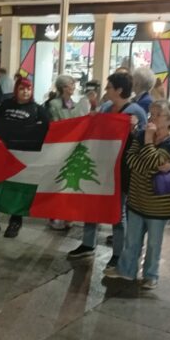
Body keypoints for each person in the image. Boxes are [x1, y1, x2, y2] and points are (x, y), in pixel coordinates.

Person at [68, 71, 147, 265]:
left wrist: (134, 129)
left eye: (109, 87)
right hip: (101, 164)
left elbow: (144, 141)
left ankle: (119, 253)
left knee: (117, 211)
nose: (106, 90)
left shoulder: (135, 111)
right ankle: (88, 244)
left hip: (121, 168)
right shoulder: (106, 108)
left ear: (119, 90)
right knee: (92, 204)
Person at [110, 100, 170, 288]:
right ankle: (127, 270)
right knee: (132, 240)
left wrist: (149, 141)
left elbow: (152, 160)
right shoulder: (140, 135)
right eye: (151, 114)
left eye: (158, 115)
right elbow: (131, 160)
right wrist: (153, 166)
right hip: (137, 198)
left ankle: (151, 275)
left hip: (158, 203)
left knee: (154, 243)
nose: (152, 118)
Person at [0, 78, 49, 238]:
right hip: (3, 154)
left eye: (28, 89)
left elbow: (50, 128)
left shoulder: (37, 109)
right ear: (16, 90)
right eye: (22, 88)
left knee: (17, 188)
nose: (25, 92)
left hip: (23, 157)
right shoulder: (6, 105)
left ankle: (15, 220)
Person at [46, 75, 90, 230]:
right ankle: (53, 214)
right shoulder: (54, 104)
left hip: (74, 148)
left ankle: (68, 215)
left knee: (71, 183)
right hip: (60, 148)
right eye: (71, 84)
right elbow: (57, 124)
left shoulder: (75, 103)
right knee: (57, 182)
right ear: (63, 87)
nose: (73, 87)